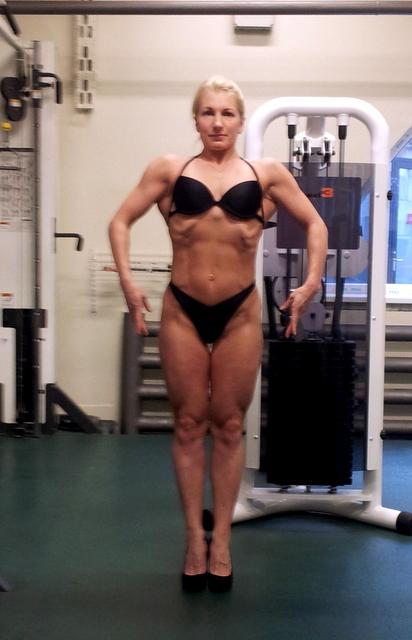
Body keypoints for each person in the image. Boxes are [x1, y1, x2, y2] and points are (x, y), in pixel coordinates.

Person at [108, 76, 328, 593]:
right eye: (208, 112)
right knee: (188, 424)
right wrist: (128, 282)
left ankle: (222, 542)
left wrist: (311, 282)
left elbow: (315, 224)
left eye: (227, 113)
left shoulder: (265, 174)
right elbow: (120, 222)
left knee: (228, 426)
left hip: (239, 312)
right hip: (183, 310)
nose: (217, 122)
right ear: (196, 119)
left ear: (241, 120)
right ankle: (194, 539)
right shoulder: (170, 170)